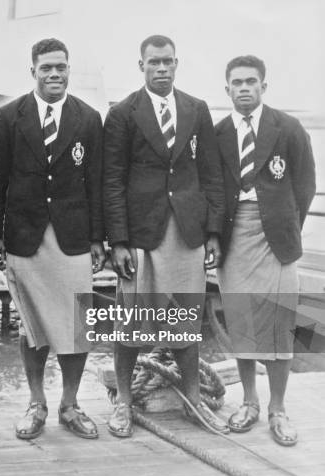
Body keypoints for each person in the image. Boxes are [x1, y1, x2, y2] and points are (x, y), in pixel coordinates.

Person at [103, 35, 228, 437]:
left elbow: (211, 174)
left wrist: (212, 231)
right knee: (132, 321)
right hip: (141, 234)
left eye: (168, 62)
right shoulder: (123, 113)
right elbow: (112, 181)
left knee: (184, 318)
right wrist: (118, 241)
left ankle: (192, 399)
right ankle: (123, 401)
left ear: (178, 64)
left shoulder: (196, 109)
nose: (161, 68)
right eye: (153, 62)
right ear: (140, 65)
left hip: (186, 232)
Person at [0, 38, 106, 440]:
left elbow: (97, 184)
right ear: (32, 71)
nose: (54, 74)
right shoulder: (8, 117)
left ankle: (70, 404)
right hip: (24, 236)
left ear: (69, 70)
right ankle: (36, 402)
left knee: (77, 323)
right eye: (46, 68)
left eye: (61, 67)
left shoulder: (88, 118)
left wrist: (98, 239)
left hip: (72, 238)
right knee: (31, 326)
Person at [215, 55, 315, 446]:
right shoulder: (219, 131)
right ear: (227, 89)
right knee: (241, 318)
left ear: (263, 87)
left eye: (251, 82)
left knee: (279, 321)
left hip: (276, 237)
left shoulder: (287, 128)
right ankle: (250, 402)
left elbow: (305, 185)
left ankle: (277, 407)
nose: (244, 88)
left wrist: (285, 226)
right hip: (233, 234)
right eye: (236, 82)